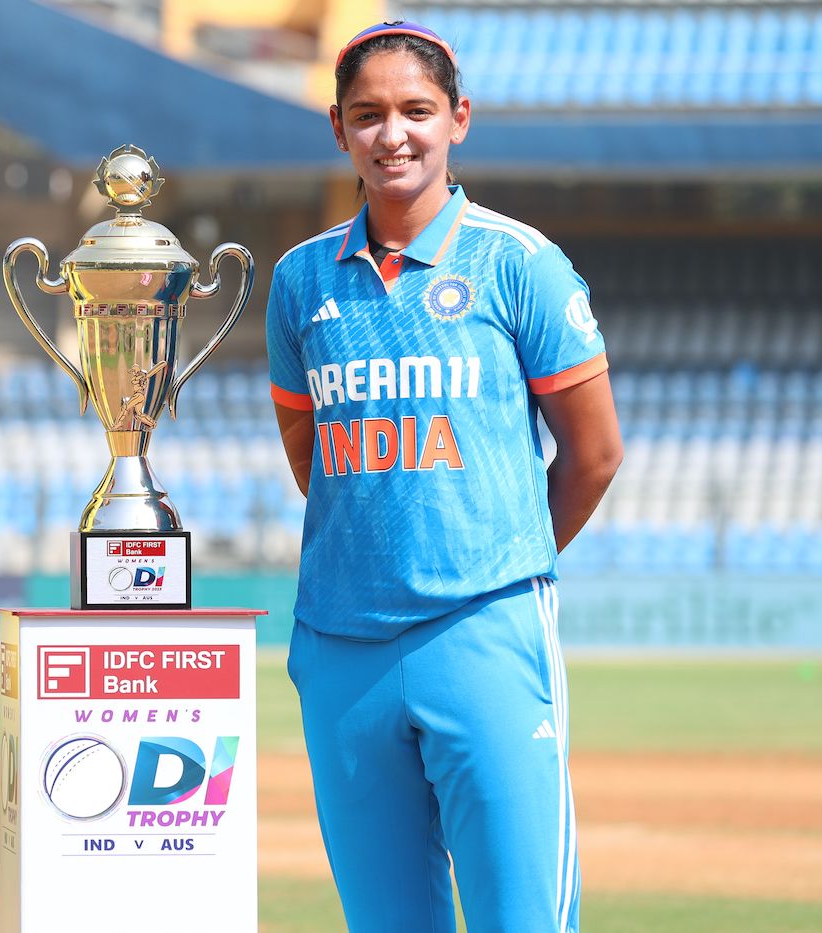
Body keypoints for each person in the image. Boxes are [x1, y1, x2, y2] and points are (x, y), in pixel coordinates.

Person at [265, 21, 622, 933]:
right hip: (340, 643)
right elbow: (311, 455)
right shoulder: (303, 280)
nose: (395, 133)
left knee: (522, 919)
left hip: (485, 628)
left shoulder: (519, 262)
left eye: (417, 110)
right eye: (369, 114)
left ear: (457, 118)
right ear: (337, 129)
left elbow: (594, 453)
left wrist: (498, 552)